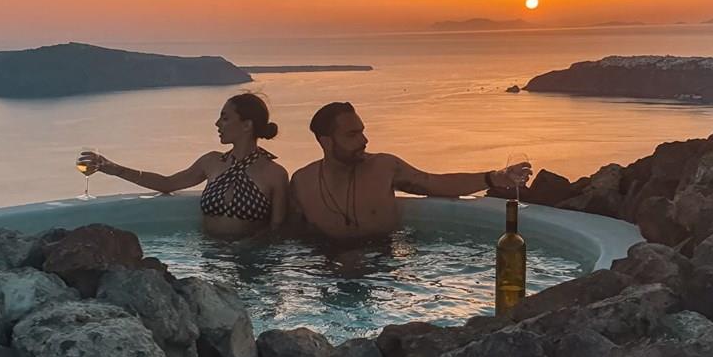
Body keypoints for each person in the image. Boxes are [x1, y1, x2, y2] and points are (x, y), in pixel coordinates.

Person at [289, 102, 531, 240]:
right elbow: (288, 237)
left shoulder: (383, 167)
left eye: (362, 131)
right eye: (352, 135)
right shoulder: (302, 183)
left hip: (381, 271)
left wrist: (495, 177)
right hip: (324, 273)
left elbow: (434, 183)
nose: (364, 140)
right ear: (325, 141)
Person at [77, 93, 289, 238]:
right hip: (210, 256)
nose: (217, 124)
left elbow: (278, 230)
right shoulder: (211, 161)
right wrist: (114, 168)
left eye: (224, 118)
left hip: (251, 261)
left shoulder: (275, 174)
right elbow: (167, 183)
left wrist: (246, 251)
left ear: (247, 125)